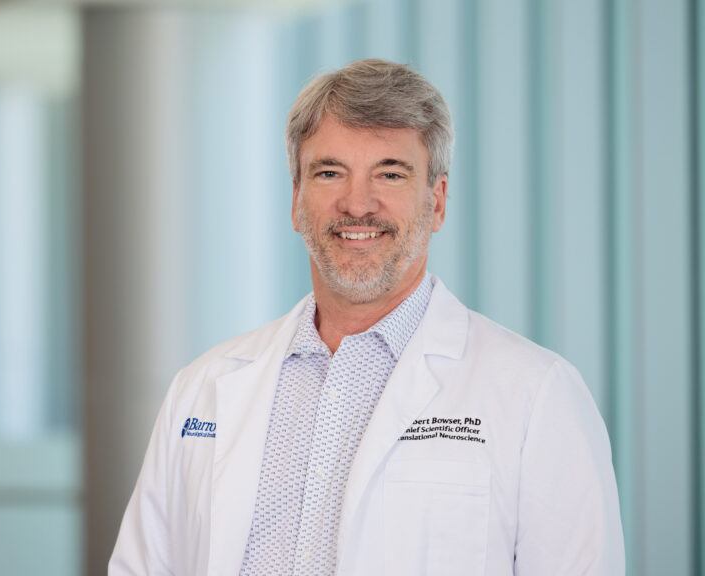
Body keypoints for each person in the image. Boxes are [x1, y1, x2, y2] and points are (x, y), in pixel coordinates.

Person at [108, 59, 624, 576]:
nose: (357, 204)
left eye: (391, 173)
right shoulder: (204, 387)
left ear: (438, 201)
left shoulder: (537, 395)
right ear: (296, 200)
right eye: (330, 172)